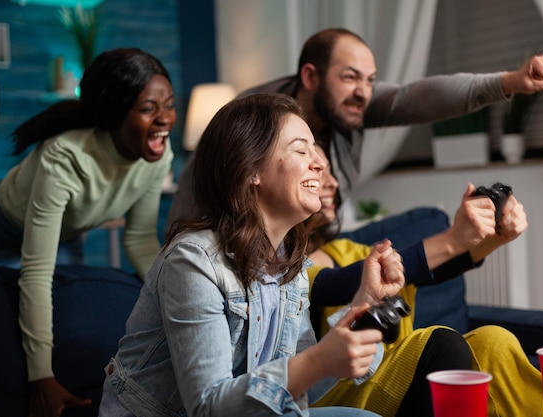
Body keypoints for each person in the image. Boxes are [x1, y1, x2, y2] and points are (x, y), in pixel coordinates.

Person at [98, 93, 405, 417]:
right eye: (301, 149)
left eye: (314, 148)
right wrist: (318, 360)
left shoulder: (288, 266)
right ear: (250, 169)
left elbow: (302, 389)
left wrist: (364, 304)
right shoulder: (193, 263)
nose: (319, 161)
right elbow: (209, 407)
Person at [166, 27, 543, 230]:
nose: (363, 92)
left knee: (428, 226)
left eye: (370, 80)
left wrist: (510, 82)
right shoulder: (253, 118)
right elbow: (197, 196)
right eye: (351, 77)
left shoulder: (353, 106)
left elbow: (418, 96)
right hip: (253, 261)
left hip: (318, 250)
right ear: (310, 76)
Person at [0, 48, 175, 417]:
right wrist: (41, 379)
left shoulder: (157, 153)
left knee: (63, 319)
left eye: (169, 105)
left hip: (62, 233)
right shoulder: (64, 157)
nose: (165, 120)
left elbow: (140, 240)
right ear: (114, 113)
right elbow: (36, 272)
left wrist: (177, 298)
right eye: (148, 109)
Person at [305, 147, 543, 417]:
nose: (333, 182)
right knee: (441, 344)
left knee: (493, 341)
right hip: (333, 391)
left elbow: (426, 271)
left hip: (376, 369)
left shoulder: (345, 248)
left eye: (328, 169)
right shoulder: (291, 267)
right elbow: (330, 283)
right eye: (314, 167)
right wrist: (455, 238)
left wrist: (493, 235)